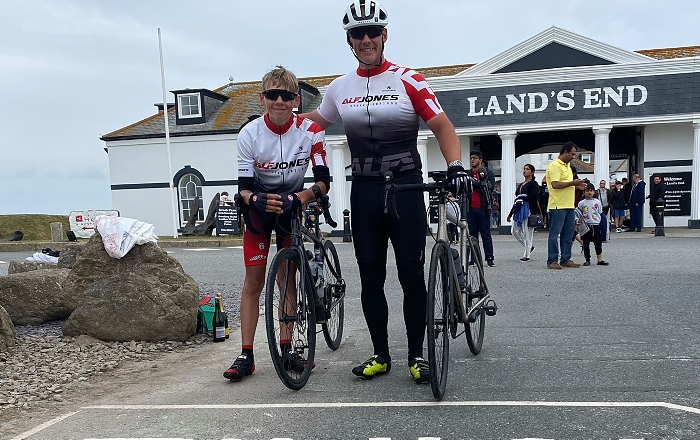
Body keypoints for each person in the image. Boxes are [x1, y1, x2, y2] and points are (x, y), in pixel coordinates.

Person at [300, 0, 470, 384]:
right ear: (349, 40)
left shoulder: (410, 79)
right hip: (365, 190)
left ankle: (416, 355)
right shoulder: (340, 87)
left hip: (406, 187)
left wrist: (456, 165)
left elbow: (442, 126)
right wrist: (276, 119)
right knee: (370, 276)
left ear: (384, 35)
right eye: (357, 34)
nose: (365, 39)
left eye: (371, 32)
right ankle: (380, 354)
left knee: (411, 275)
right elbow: (315, 122)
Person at [223, 66, 331, 382]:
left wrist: (300, 198)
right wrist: (255, 200)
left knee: (287, 279)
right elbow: (243, 187)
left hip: (291, 206)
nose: (279, 101)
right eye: (273, 95)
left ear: (296, 99)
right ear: (263, 99)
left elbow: (324, 181)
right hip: (259, 209)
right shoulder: (249, 134)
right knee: (254, 282)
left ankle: (288, 350)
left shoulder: (310, 130)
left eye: (286, 96)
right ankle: (246, 355)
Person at [545, 142, 587, 269]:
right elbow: (555, 184)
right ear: (565, 152)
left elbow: (568, 184)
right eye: (572, 154)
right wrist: (572, 183)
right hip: (557, 205)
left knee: (568, 234)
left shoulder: (568, 166)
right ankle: (552, 260)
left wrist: (577, 185)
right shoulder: (554, 166)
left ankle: (565, 258)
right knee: (554, 234)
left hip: (569, 205)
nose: (574, 157)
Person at [467, 150, 496, 267]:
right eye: (470, 158)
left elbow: (489, 188)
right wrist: (478, 184)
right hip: (470, 209)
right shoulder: (468, 173)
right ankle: (473, 258)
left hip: (483, 208)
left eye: (474, 158)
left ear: (480, 160)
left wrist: (475, 185)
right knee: (472, 235)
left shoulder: (488, 173)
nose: (472, 160)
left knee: (486, 234)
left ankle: (489, 258)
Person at [506, 164, 540, 262]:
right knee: (514, 231)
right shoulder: (521, 185)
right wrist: (510, 213)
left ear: (532, 172)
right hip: (519, 209)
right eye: (524, 169)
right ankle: (529, 247)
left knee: (527, 232)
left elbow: (534, 196)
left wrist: (523, 197)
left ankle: (527, 254)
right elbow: (517, 200)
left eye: (527, 169)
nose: (525, 171)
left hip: (528, 209)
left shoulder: (534, 184)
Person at [578, 183, 609, 266]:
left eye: (591, 191)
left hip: (595, 224)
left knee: (598, 242)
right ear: (584, 192)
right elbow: (579, 214)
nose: (589, 193)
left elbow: (600, 213)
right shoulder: (581, 203)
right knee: (586, 243)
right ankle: (587, 259)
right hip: (586, 225)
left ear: (594, 192)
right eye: (587, 191)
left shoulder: (597, 202)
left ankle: (600, 259)